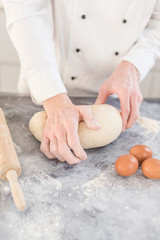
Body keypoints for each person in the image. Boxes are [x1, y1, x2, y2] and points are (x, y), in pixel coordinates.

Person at [3, 1, 160, 164]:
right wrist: (52, 96)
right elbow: (25, 10)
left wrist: (132, 67)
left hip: (115, 86)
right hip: (49, 75)